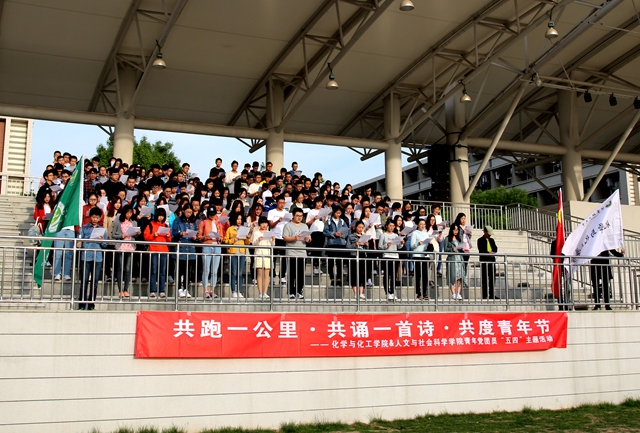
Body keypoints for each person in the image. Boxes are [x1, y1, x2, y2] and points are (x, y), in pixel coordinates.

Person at [77, 207, 106, 310]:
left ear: (100, 218)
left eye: (97, 217)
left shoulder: (102, 230)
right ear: (90, 217)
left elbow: (105, 245)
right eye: (93, 217)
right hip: (86, 256)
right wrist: (79, 243)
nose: (95, 219)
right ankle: (82, 304)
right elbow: (78, 239)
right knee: (84, 281)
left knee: (95, 282)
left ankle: (91, 304)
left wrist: (102, 241)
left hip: (97, 257)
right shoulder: (84, 228)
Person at [111, 205, 139, 297]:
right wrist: (121, 236)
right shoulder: (118, 222)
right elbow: (113, 234)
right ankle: (120, 289)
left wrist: (137, 233)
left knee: (127, 268)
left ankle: (126, 289)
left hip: (130, 247)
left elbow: (135, 236)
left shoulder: (133, 222)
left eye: (130, 213)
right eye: (127, 213)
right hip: (121, 246)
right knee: (120, 268)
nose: (128, 215)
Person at [282, 208, 311, 299]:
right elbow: (285, 237)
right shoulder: (288, 225)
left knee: (300, 274)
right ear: (293, 216)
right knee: (291, 273)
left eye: (301, 216)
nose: (299, 218)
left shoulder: (304, 226)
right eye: (297, 216)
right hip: (291, 252)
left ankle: (299, 290)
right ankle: (291, 291)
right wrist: (294, 238)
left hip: (302, 253)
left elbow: (309, 238)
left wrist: (308, 239)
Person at [143, 207, 172, 298]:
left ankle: (162, 290)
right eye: (159, 216)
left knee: (162, 272)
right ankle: (153, 290)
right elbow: (146, 237)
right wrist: (153, 235)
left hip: (163, 250)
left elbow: (169, 240)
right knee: (153, 271)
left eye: (162, 216)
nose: (161, 218)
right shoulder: (151, 224)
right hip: (154, 249)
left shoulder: (166, 226)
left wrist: (168, 236)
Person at [172, 203, 198, 299]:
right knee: (180, 270)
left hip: (190, 247)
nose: (188, 214)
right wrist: (181, 233)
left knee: (188, 270)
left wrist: (195, 237)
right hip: (181, 246)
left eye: (190, 212)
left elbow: (195, 232)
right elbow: (174, 233)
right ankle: (179, 289)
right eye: (187, 212)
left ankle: (186, 289)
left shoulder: (193, 221)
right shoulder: (177, 220)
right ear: (183, 211)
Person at [223, 212, 251, 298]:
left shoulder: (244, 229)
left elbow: (247, 243)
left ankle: (239, 291)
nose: (239, 221)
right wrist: (233, 240)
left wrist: (248, 238)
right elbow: (225, 240)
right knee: (234, 272)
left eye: (240, 219)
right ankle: (233, 291)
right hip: (233, 253)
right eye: (238, 219)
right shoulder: (230, 229)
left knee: (240, 273)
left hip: (242, 253)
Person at [197, 206, 221, 299]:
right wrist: (205, 237)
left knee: (214, 271)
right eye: (210, 214)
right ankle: (206, 290)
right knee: (206, 269)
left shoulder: (218, 223)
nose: (212, 216)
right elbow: (199, 236)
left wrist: (219, 238)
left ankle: (212, 290)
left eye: (213, 214)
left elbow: (221, 236)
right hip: (207, 245)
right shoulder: (203, 222)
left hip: (216, 246)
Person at [378, 219, 403, 300]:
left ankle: (392, 292)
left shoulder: (395, 235)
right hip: (386, 256)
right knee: (386, 275)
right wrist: (386, 245)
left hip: (395, 257)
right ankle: (387, 292)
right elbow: (380, 247)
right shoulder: (383, 235)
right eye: (390, 226)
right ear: (386, 226)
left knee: (393, 276)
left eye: (393, 226)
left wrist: (401, 243)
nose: (392, 227)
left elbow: (398, 247)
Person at [323, 206, 348, 287]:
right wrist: (333, 233)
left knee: (340, 262)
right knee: (331, 262)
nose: (338, 214)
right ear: (333, 212)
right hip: (332, 243)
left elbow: (346, 232)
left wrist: (342, 235)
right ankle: (332, 279)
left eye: (339, 213)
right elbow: (325, 231)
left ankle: (339, 279)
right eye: (337, 213)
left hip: (341, 243)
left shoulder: (342, 221)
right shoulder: (329, 221)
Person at [251, 216, 274, 299]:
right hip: (259, 254)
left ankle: (265, 292)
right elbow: (253, 244)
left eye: (265, 223)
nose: (264, 225)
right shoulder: (256, 233)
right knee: (260, 274)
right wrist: (258, 240)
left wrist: (273, 239)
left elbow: (272, 245)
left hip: (267, 254)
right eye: (262, 223)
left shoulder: (269, 232)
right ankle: (260, 292)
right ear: (259, 224)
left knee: (267, 275)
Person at [445, 224, 469, 301]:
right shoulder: (447, 239)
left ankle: (458, 293)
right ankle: (453, 293)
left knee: (460, 276)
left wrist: (462, 249)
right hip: (452, 259)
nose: (456, 231)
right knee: (452, 276)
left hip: (459, 259)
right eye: (454, 230)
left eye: (457, 230)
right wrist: (452, 249)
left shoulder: (459, 239)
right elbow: (445, 249)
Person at [346, 220, 368, 300]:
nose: (360, 229)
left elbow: (367, 250)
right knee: (354, 274)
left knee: (362, 275)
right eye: (359, 227)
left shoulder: (364, 236)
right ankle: (355, 293)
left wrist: (367, 245)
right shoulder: (351, 236)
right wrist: (355, 244)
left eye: (362, 228)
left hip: (362, 256)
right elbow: (347, 247)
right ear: (355, 227)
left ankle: (361, 293)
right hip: (354, 256)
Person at [477, 225, 498, 300]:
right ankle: (484, 295)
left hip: (491, 261)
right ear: (485, 232)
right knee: (484, 278)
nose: (489, 235)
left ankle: (492, 294)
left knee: (492, 278)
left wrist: (492, 252)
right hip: (484, 261)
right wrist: (488, 252)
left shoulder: (492, 240)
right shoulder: (480, 240)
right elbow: (481, 249)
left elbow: (495, 248)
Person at [306, 197, 326, 276]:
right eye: (318, 202)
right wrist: (314, 219)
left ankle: (318, 267)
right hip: (313, 232)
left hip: (321, 232)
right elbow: (308, 223)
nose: (319, 204)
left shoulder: (323, 212)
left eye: (321, 203)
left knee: (319, 250)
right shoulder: (311, 211)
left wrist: (324, 219)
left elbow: (324, 223)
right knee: (314, 250)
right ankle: (314, 267)